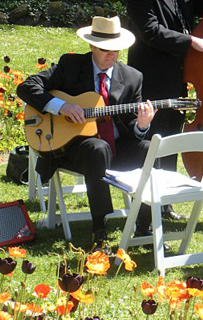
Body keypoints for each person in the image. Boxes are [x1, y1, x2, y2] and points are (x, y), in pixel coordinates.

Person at [17, 16, 156, 248]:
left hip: (116, 148)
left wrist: (142, 124)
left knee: (148, 147)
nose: (111, 55)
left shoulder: (132, 77)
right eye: (105, 49)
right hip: (74, 150)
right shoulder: (71, 66)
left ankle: (145, 226)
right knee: (97, 148)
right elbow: (26, 87)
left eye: (116, 50)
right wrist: (62, 107)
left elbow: (133, 129)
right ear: (91, 46)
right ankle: (99, 229)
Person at [126, 0, 203, 220]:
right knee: (154, 139)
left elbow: (198, 8)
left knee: (172, 136)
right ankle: (146, 205)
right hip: (151, 74)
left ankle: (164, 204)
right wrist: (191, 42)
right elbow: (151, 32)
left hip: (178, 74)